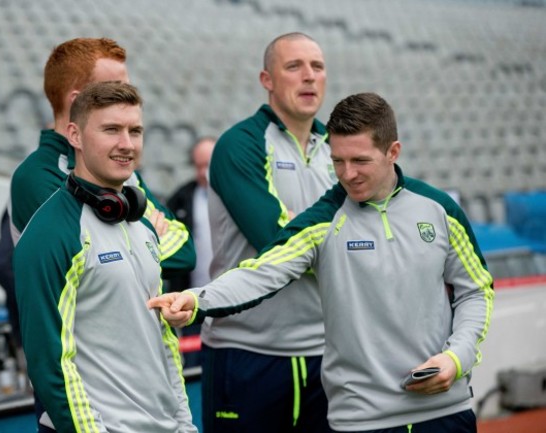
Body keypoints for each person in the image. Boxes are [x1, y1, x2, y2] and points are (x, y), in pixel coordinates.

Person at [149, 92, 495, 433]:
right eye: (338, 161)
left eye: (360, 161)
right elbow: (260, 273)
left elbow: (476, 291)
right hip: (360, 421)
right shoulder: (322, 220)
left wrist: (457, 357)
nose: (347, 174)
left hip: (447, 411)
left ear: (393, 152)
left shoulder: (439, 210)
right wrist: (197, 300)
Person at [3, 37, 195, 429]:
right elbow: (51, 356)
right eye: (111, 127)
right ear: (78, 108)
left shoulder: (123, 185)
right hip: (91, 413)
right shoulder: (40, 187)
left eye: (135, 130)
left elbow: (184, 251)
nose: (126, 144)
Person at [192, 32, 336, 432]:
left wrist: (302, 226)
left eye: (317, 66)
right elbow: (278, 242)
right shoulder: (240, 145)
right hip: (248, 352)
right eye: (294, 66)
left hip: (328, 352)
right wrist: (343, 238)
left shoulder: (339, 150)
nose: (309, 76)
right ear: (267, 79)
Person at [165, 136, 216, 367]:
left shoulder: (237, 196)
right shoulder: (181, 198)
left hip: (235, 302)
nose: (204, 172)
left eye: (209, 165)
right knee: (196, 367)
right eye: (199, 166)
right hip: (193, 303)